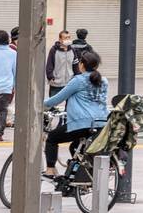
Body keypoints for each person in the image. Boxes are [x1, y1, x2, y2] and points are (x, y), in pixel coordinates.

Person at [42, 47, 108, 175]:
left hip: (82, 123)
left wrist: (39, 105)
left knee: (52, 138)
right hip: (101, 123)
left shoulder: (78, 80)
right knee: (75, 147)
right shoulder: (103, 81)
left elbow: (56, 99)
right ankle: (80, 177)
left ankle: (50, 169)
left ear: (82, 65)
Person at [45, 31, 76, 96]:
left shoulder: (72, 50)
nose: (68, 39)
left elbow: (75, 65)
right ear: (60, 39)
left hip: (69, 82)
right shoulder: (54, 50)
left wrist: (77, 77)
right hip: (56, 82)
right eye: (65, 38)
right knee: (53, 102)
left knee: (70, 103)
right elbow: (49, 64)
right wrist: (50, 77)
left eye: (69, 37)